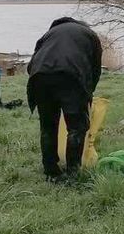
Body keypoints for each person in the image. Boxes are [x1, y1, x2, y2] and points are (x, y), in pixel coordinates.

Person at [26, 17, 103, 180]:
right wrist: (89, 93)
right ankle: (72, 173)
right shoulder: (90, 35)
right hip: (71, 78)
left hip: (40, 78)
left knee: (48, 126)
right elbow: (95, 69)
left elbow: (30, 66)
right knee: (76, 127)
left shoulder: (48, 34)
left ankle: (50, 171)